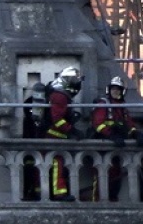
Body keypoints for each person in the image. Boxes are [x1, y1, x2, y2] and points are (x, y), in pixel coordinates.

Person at [46, 67, 84, 201]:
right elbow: (57, 120)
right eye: (73, 80)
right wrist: (72, 130)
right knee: (58, 165)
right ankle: (59, 194)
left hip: (57, 136)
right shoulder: (60, 96)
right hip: (54, 136)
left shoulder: (59, 94)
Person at [92, 76, 143, 147]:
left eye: (118, 89)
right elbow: (98, 125)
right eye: (113, 89)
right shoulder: (103, 105)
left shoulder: (123, 108)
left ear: (122, 92)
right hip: (105, 139)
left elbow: (129, 124)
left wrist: (135, 133)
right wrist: (111, 135)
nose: (115, 91)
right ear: (109, 90)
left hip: (119, 139)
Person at [21, 81, 47, 201]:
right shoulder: (29, 103)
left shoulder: (47, 102)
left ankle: (39, 192)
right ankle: (29, 192)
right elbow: (29, 115)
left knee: (42, 169)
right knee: (29, 170)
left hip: (42, 141)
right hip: (30, 142)